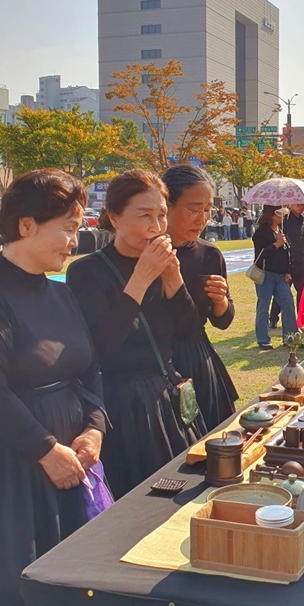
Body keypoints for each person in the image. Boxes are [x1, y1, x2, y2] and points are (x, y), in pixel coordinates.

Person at [0, 170, 107, 606]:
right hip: (12, 462)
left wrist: (95, 426)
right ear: (26, 226)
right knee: (16, 588)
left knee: (76, 582)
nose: (76, 239)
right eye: (68, 227)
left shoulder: (62, 295)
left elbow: (89, 369)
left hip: (75, 456)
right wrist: (47, 451)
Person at [66, 170, 206, 499]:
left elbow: (188, 333)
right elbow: (103, 345)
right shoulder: (86, 271)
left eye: (160, 215)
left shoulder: (163, 263)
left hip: (169, 397)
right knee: (139, 503)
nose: (156, 226)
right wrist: (141, 279)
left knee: (187, 494)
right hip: (123, 404)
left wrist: (173, 278)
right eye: (144, 216)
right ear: (114, 217)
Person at [162, 165, 238, 430]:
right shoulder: (146, 254)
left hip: (199, 357)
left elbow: (223, 321)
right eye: (194, 210)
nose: (202, 218)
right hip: (158, 366)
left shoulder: (210, 255)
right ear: (166, 206)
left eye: (207, 210)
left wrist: (221, 303)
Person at [252, 205, 297, 350]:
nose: (282, 217)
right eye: (279, 214)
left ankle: (290, 337)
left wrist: (288, 270)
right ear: (271, 215)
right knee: (263, 307)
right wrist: (276, 244)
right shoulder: (261, 233)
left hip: (281, 276)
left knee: (288, 304)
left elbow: (287, 253)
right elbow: (262, 253)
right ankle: (263, 340)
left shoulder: (281, 230)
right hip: (266, 275)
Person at [269, 203, 304, 328]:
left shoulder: (303, 220)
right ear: (291, 204)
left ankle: (301, 317)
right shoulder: (284, 219)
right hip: (287, 260)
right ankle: (273, 317)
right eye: (298, 205)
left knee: (303, 292)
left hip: (301, 260)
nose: (301, 207)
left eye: (303, 205)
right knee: (282, 292)